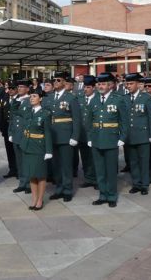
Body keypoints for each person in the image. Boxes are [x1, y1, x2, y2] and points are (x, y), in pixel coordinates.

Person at [87, 73, 128, 207]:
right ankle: (102, 195)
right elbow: (89, 121)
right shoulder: (93, 100)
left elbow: (124, 121)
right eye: (99, 84)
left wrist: (122, 137)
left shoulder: (118, 99)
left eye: (103, 84)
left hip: (111, 139)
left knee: (110, 170)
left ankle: (111, 196)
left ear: (110, 85)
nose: (100, 86)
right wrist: (89, 137)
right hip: (97, 139)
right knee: (100, 170)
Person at [43, 72, 81, 203]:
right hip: (53, 136)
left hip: (66, 136)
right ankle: (58, 189)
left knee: (66, 165)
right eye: (54, 80)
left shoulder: (71, 98)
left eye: (58, 80)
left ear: (65, 82)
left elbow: (77, 119)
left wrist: (75, 136)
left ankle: (67, 190)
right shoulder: (50, 97)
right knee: (56, 165)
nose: (55, 82)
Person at [21, 89, 53, 211]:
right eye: (30, 96)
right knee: (31, 174)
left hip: (39, 147)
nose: (31, 98)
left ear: (40, 98)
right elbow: (14, 110)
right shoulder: (28, 111)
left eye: (34, 96)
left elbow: (48, 133)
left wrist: (49, 151)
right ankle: (34, 198)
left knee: (40, 175)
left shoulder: (45, 114)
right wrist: (19, 98)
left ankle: (40, 200)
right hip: (28, 145)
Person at [124, 73, 151, 195]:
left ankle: (144, 184)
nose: (128, 86)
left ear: (138, 84)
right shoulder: (125, 98)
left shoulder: (146, 98)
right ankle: (136, 183)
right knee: (133, 161)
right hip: (129, 136)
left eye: (131, 84)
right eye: (127, 84)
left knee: (144, 161)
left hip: (143, 135)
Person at [9, 79, 31, 194]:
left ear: (27, 89)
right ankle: (22, 182)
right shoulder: (15, 100)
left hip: (25, 134)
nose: (19, 89)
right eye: (19, 87)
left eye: (22, 87)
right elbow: (12, 118)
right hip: (16, 134)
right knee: (19, 161)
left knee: (27, 160)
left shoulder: (31, 100)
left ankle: (29, 184)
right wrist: (10, 133)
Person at [75, 75, 97, 189]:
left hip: (95, 134)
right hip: (82, 133)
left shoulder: (99, 98)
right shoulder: (79, 97)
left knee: (96, 158)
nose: (85, 89)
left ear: (94, 87)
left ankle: (97, 179)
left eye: (88, 87)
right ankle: (88, 178)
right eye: (84, 87)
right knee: (85, 158)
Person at [1, 82, 17, 179]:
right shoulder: (5, 99)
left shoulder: (19, 99)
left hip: (16, 129)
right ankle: (12, 169)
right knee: (9, 150)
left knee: (17, 150)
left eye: (12, 88)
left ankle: (19, 170)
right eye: (9, 88)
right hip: (7, 128)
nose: (10, 90)